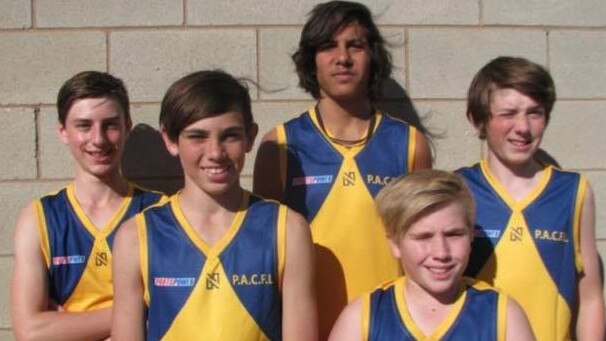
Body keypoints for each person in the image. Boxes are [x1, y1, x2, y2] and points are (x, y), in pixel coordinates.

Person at [253, 1, 432, 337]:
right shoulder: (279, 146)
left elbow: (422, 248)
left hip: (390, 328)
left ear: (372, 56)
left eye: (356, 45)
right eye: (328, 46)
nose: (343, 58)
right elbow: (265, 258)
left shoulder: (409, 145)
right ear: (311, 60)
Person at [111, 70, 317, 341]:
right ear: (170, 140)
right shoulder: (135, 237)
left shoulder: (287, 229)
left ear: (250, 137)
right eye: (198, 136)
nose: (215, 153)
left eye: (230, 135)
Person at [456, 56, 605, 340]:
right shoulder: (457, 188)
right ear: (478, 119)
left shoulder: (574, 191)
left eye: (534, 113)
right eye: (508, 113)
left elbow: (591, 298)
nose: (522, 127)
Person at [11, 71, 164, 340]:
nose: (99, 139)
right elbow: (30, 332)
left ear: (127, 126)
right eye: (84, 125)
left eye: (110, 125)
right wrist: (138, 311)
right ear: (63, 131)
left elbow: (183, 305)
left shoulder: (160, 211)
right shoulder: (39, 218)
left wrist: (65, 325)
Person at [329, 170, 534, 341]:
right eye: (424, 237)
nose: (441, 252)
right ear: (395, 244)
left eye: (453, 234)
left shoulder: (502, 316)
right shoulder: (364, 317)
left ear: (471, 236)